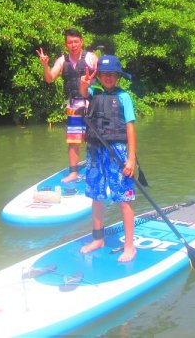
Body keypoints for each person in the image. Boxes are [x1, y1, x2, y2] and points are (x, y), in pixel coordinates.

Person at [77, 54, 136, 263]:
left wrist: (131, 157)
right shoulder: (93, 92)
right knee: (96, 195)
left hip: (117, 150)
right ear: (99, 76)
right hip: (95, 149)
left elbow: (130, 127)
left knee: (124, 198)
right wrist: (85, 82)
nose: (108, 77)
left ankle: (129, 246)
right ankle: (98, 239)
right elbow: (83, 92)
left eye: (112, 74)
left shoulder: (124, 97)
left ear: (117, 76)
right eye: (104, 74)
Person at [36, 29, 97, 182]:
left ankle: (96, 169)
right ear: (66, 44)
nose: (73, 45)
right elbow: (50, 78)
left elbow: (104, 76)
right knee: (73, 140)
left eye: (76, 41)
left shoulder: (91, 58)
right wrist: (45, 65)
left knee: (95, 139)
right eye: (70, 42)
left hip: (92, 104)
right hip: (74, 105)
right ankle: (73, 172)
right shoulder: (62, 60)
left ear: (81, 42)